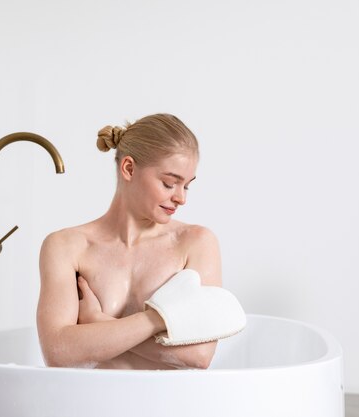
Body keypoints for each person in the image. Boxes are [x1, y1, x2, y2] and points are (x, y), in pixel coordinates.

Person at [37, 113, 222, 370]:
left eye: (187, 186)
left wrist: (98, 322)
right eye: (169, 183)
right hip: (89, 405)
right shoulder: (67, 247)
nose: (181, 198)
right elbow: (58, 351)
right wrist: (154, 321)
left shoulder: (195, 243)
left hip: (169, 406)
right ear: (129, 168)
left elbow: (199, 355)